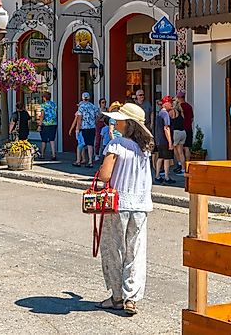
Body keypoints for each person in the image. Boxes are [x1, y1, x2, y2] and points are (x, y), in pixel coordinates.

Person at [95, 102, 154, 317]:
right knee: (135, 249)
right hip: (141, 204)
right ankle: (132, 297)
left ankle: (117, 297)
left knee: (114, 249)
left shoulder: (116, 144)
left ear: (126, 123)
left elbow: (105, 175)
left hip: (118, 203)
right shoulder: (145, 147)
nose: (114, 121)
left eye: (118, 118)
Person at [70, 92, 99, 168]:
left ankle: (78, 161)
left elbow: (79, 118)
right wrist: (94, 123)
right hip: (92, 127)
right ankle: (90, 161)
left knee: (80, 144)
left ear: (83, 98)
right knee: (90, 145)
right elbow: (97, 116)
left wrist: (78, 129)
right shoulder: (93, 106)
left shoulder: (81, 107)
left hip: (84, 128)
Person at [153, 97, 174, 182]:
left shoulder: (159, 114)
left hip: (159, 139)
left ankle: (157, 175)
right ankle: (166, 177)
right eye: (170, 102)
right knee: (167, 158)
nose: (171, 104)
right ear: (166, 103)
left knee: (160, 157)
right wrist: (170, 142)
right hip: (164, 140)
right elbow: (166, 128)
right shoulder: (165, 114)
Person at [169, 97, 188, 173]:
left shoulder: (173, 111)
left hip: (176, 132)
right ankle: (183, 169)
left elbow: (169, 121)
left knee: (176, 150)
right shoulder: (181, 111)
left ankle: (180, 164)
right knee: (181, 151)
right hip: (183, 132)